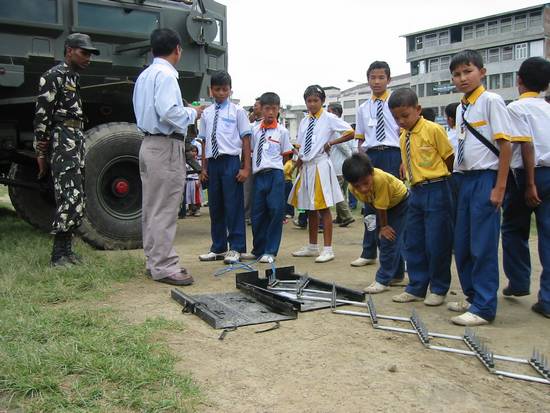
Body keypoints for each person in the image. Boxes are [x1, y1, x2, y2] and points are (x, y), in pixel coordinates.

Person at [133, 28, 204, 286]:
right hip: (165, 146)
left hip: (148, 144)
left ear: (153, 49)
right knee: (165, 208)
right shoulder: (166, 76)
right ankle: (163, 265)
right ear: (177, 49)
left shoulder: (145, 75)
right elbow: (169, 112)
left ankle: (154, 261)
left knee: (152, 207)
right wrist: (193, 113)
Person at [447, 49, 512, 326]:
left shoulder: (491, 101)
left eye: (467, 71)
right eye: (457, 74)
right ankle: (473, 297)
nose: (462, 78)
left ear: (482, 72)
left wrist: (499, 187)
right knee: (461, 245)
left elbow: (506, 145)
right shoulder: (462, 106)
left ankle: (485, 307)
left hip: (486, 178)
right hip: (464, 179)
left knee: (482, 245)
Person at [33, 33, 99, 267]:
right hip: (62, 140)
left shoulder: (72, 77)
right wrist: (41, 152)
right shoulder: (53, 76)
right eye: (84, 52)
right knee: (68, 195)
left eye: (90, 53)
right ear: (69, 50)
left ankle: (67, 250)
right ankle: (58, 255)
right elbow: (42, 118)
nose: (88, 58)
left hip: (75, 138)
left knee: (76, 196)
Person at [387, 88, 455, 305]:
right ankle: (416, 286)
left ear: (418, 109)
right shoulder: (403, 137)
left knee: (437, 242)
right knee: (412, 240)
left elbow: (449, 159)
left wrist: (445, 184)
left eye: (405, 116)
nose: (401, 121)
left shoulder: (433, 130)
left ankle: (438, 288)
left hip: (437, 188)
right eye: (396, 117)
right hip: (415, 191)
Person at [502, 57, 550, 319]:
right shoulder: (548, 108)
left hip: (527, 176)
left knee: (512, 229)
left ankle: (519, 281)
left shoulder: (516, 109)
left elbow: (524, 146)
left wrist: (530, 183)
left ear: (519, 80)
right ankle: (548, 299)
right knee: (548, 235)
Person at [288, 85, 354, 263]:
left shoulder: (329, 118)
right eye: (309, 101)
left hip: (321, 165)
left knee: (323, 206)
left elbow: (350, 132)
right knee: (309, 206)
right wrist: (296, 166)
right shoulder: (304, 121)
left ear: (323, 101)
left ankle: (328, 248)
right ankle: (312, 246)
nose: (312, 104)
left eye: (315, 100)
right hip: (307, 166)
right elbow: (301, 146)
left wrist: (332, 142)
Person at [198, 70, 252, 264]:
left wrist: (246, 168)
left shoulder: (237, 111)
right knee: (215, 206)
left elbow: (246, 139)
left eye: (224, 89)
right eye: (217, 89)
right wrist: (203, 168)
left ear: (230, 90)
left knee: (233, 205)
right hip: (213, 164)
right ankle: (218, 247)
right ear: (211, 90)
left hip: (230, 161)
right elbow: (203, 142)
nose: (221, 93)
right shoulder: (206, 113)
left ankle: (236, 247)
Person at [353, 61, 402, 269]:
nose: (377, 81)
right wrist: (359, 160)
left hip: (393, 154)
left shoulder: (397, 102)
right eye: (373, 77)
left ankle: (395, 256)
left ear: (389, 79)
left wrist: (404, 162)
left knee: (393, 206)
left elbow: (404, 132)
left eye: (381, 77)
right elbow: (361, 139)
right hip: (371, 157)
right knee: (369, 205)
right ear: (368, 80)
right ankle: (368, 251)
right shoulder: (363, 108)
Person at [343, 153, 409, 292]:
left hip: (400, 204)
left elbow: (382, 206)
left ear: (371, 173)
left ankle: (383, 280)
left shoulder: (380, 180)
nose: (363, 189)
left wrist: (384, 226)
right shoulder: (351, 188)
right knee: (380, 239)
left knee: (388, 239)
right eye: (357, 185)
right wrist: (379, 226)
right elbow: (372, 203)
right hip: (380, 207)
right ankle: (396, 275)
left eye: (366, 183)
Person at [248, 92, 293, 262]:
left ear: (278, 109)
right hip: (258, 175)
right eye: (267, 109)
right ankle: (258, 249)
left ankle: (271, 251)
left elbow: (286, 155)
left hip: (275, 175)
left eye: (274, 109)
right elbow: (250, 150)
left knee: (275, 211)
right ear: (261, 109)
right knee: (257, 214)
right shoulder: (254, 130)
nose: (271, 113)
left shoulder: (282, 131)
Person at [327, 102, 355, 227]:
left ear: (333, 112)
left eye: (328, 111)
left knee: (337, 193)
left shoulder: (335, 127)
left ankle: (347, 216)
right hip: (344, 165)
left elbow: (342, 146)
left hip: (338, 165)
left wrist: (351, 158)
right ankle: (340, 217)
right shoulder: (345, 125)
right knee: (342, 191)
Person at [185, 145, 202, 217]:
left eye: (195, 151)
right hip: (188, 180)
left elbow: (200, 172)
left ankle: (197, 209)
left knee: (196, 196)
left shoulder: (198, 161)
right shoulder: (187, 161)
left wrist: (199, 181)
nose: (194, 153)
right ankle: (190, 209)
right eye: (192, 151)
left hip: (195, 180)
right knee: (189, 196)